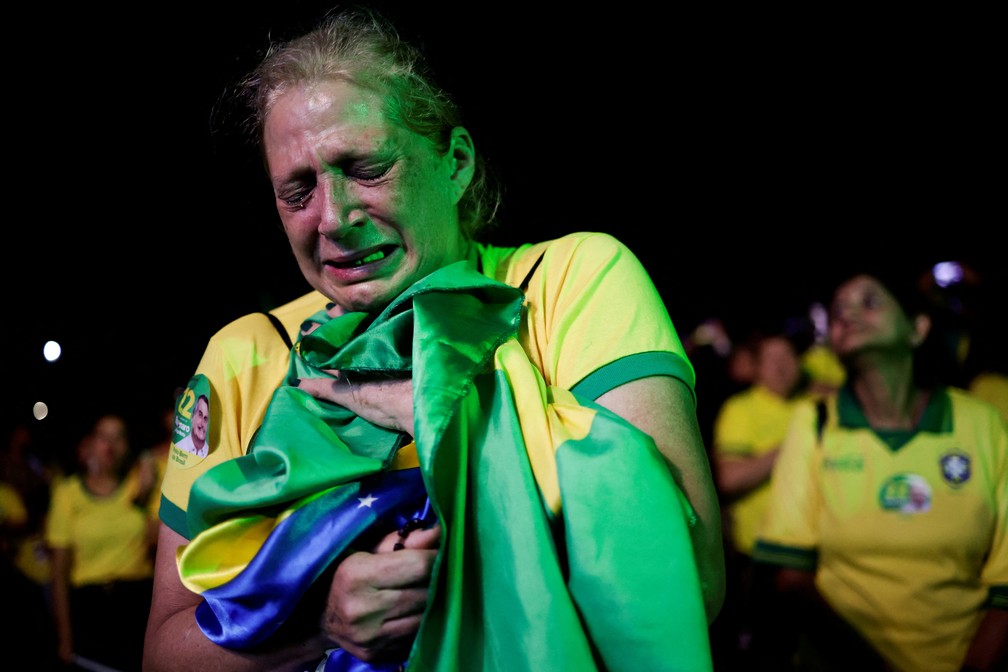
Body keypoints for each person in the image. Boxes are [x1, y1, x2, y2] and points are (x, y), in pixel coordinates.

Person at [144, 6, 724, 671]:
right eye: (297, 190)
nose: (333, 219)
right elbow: (163, 651)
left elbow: (695, 579)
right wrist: (318, 625)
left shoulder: (574, 280)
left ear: (455, 162)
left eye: (366, 168)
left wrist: (457, 415)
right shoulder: (245, 351)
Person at [751, 265, 1008, 672]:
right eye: (837, 311)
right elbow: (790, 578)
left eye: (869, 302)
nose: (847, 315)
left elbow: (1005, 582)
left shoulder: (982, 424)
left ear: (917, 329)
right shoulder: (815, 422)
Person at [708, 326, 809, 668]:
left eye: (788, 357)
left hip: (816, 558)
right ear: (756, 368)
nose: (781, 367)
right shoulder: (742, 409)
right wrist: (793, 446)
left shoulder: (817, 405)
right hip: (761, 558)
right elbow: (728, 478)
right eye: (772, 359)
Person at [46, 413, 161, 672]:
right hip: (91, 608)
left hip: (137, 602)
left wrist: (147, 494)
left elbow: (158, 543)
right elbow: (58, 572)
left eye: (118, 436)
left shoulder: (139, 487)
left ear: (128, 447)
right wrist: (64, 638)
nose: (110, 443)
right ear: (89, 444)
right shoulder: (68, 494)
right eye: (103, 436)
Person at [173, 393, 210, 458]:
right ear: (192, 416)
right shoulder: (178, 447)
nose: (202, 423)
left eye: (205, 418)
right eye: (200, 415)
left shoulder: (211, 454)